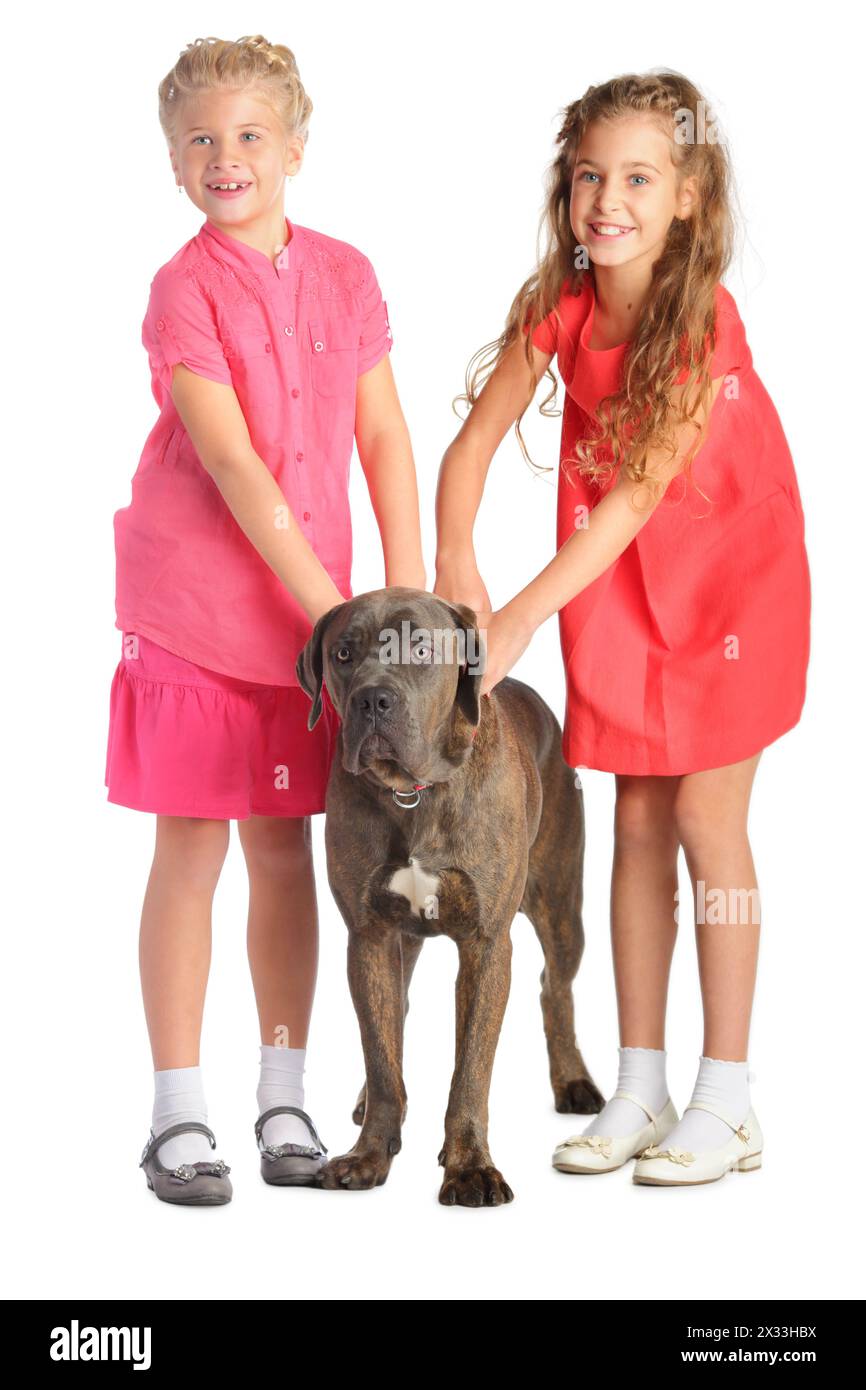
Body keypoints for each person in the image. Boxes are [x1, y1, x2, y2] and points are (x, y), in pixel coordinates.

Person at [434, 69, 810, 1186]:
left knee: (703, 814)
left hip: (731, 587)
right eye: (589, 174)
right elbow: (470, 448)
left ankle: (726, 1098)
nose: (608, 199)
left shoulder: (703, 321)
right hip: (620, 593)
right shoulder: (561, 298)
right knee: (634, 823)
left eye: (638, 176)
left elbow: (637, 496)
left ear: (687, 194)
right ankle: (638, 1085)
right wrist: (460, 564)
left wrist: (507, 624)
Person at [105, 34, 425, 1204]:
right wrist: (342, 617)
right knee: (190, 844)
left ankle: (282, 1092)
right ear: (172, 162)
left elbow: (383, 436)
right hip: (196, 613)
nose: (223, 156)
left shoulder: (346, 272)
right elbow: (236, 466)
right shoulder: (180, 289)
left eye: (247, 134)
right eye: (197, 139)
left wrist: (408, 601)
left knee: (286, 852)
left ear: (295, 145)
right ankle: (175, 1112)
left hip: (317, 631)